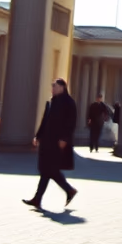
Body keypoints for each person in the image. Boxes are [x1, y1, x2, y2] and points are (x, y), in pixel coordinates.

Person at [23, 78, 78, 209]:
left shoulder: (69, 103)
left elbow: (71, 123)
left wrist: (65, 139)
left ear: (62, 88)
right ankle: (67, 191)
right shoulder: (51, 102)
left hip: (57, 142)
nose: (52, 88)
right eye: (52, 86)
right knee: (46, 170)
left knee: (49, 169)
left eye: (55, 86)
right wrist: (38, 136)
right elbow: (45, 120)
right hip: (46, 141)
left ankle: (65, 191)